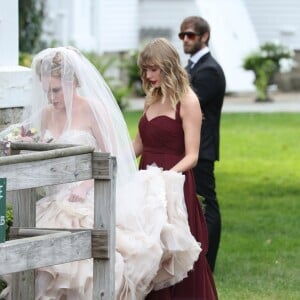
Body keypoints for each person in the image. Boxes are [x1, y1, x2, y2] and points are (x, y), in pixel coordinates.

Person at [0, 46, 202, 300]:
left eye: (56, 90)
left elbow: (112, 156)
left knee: (88, 266)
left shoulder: (93, 109)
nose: (51, 97)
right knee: (40, 258)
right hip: (56, 201)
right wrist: (10, 147)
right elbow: (21, 138)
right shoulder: (46, 114)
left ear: (72, 82)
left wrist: (86, 184)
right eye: (46, 91)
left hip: (88, 197)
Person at [133, 37, 218, 300]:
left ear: (169, 66)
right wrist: (112, 161)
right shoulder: (152, 99)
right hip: (146, 181)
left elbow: (192, 155)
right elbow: (137, 145)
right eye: (145, 69)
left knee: (173, 250)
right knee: (148, 250)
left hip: (173, 185)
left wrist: (164, 180)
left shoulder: (188, 101)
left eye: (154, 69)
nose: (149, 75)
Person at [179, 16, 226, 272]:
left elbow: (187, 105)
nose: (185, 40)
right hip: (192, 146)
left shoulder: (209, 70)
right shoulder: (193, 67)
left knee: (207, 203)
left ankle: (208, 261)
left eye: (190, 35)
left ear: (204, 36)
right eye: (182, 36)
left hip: (202, 149)